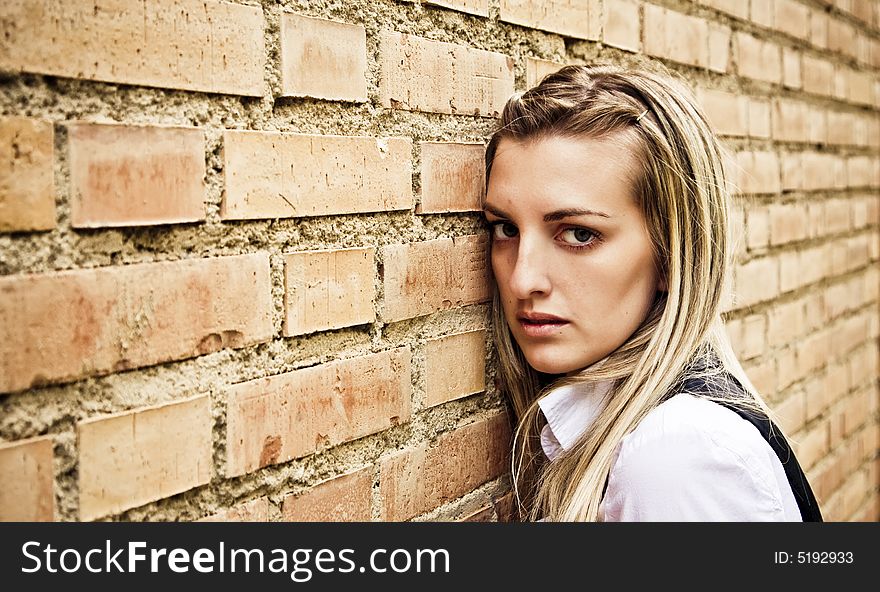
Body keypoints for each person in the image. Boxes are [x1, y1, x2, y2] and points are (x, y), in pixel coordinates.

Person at [482, 64, 822, 522]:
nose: (523, 281)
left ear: (669, 256)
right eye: (505, 228)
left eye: (579, 234)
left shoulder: (677, 459)